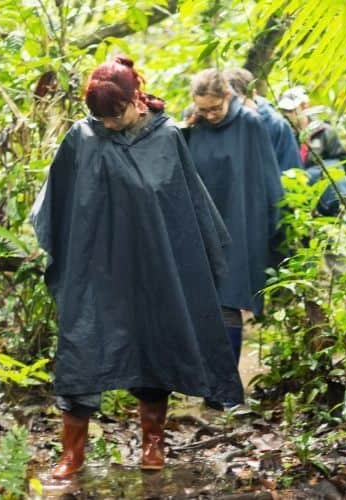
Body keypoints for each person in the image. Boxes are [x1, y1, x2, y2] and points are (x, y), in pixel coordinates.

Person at [31, 56, 244, 477]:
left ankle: (153, 444)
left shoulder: (165, 137)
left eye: (116, 114)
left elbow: (187, 208)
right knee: (82, 349)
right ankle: (71, 453)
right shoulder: (83, 138)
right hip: (95, 269)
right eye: (101, 117)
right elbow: (58, 202)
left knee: (153, 346)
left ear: (135, 100)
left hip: (152, 265)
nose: (109, 124)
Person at [186, 69, 283, 386]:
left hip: (238, 225)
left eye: (216, 108)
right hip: (199, 227)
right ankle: (206, 382)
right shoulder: (193, 125)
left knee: (228, 303)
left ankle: (225, 386)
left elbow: (268, 178)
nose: (210, 115)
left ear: (229, 96)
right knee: (200, 305)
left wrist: (276, 227)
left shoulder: (251, 124)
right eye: (204, 109)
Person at [277, 86, 346, 216]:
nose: (287, 115)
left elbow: (344, 162)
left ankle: (339, 211)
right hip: (298, 195)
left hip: (325, 193)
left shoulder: (324, 131)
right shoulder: (284, 134)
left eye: (291, 110)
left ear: (305, 106)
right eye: (284, 111)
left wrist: (318, 174)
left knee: (331, 164)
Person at [223, 68, 302, 172]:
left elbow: (292, 173)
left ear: (253, 94)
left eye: (238, 104)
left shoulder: (276, 125)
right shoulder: (219, 120)